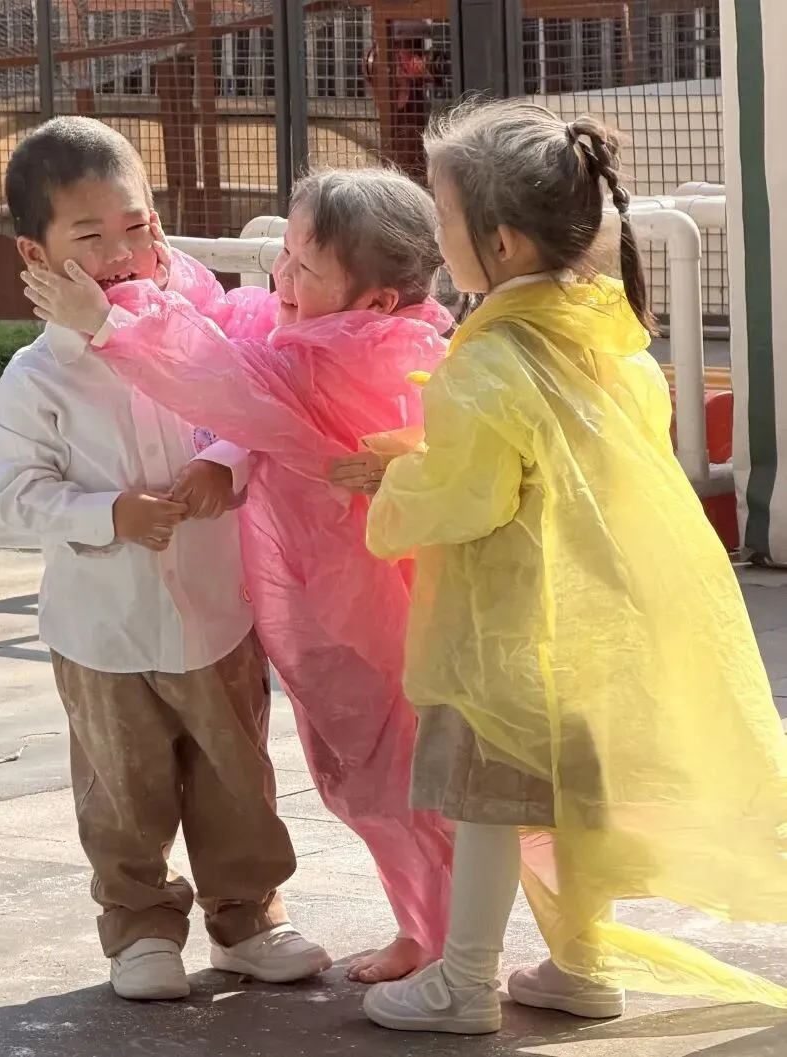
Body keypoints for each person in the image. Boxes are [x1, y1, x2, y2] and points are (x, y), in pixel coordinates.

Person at [327, 98, 787, 1035]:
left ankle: (463, 981)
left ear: (498, 241)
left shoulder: (488, 358)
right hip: (590, 631)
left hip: (503, 634)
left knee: (488, 803)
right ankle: (583, 965)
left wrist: (397, 477)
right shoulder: (609, 341)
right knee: (571, 804)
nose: (436, 236)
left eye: (443, 218)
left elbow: (468, 496)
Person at [20, 168, 456, 985]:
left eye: (304, 267)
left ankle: (445, 942)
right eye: (282, 254)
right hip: (341, 599)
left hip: (368, 607)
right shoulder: (350, 330)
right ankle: (427, 930)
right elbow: (224, 322)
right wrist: (156, 266)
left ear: (373, 300)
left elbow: (222, 380)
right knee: (377, 775)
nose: (279, 276)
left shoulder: (340, 357)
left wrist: (110, 318)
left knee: (392, 774)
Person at [0, 116, 330, 1003]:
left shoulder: (196, 335)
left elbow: (248, 408)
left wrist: (224, 464)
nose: (118, 255)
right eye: (88, 236)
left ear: (160, 226)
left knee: (236, 774)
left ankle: (247, 917)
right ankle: (138, 927)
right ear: (34, 252)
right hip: (102, 631)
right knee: (121, 785)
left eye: (135, 227)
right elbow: (19, 491)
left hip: (215, 612)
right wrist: (109, 513)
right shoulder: (37, 377)